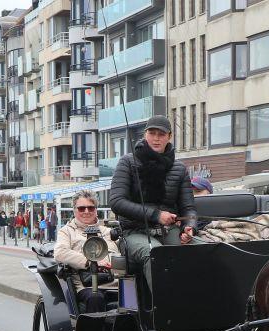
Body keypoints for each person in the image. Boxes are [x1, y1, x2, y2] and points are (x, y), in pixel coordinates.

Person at [109, 115, 197, 288]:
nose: (156, 138)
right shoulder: (127, 162)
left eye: (161, 134)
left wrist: (190, 227)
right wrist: (156, 215)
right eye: (152, 133)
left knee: (205, 249)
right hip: (134, 232)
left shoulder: (179, 168)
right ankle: (165, 309)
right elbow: (117, 202)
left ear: (169, 137)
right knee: (155, 254)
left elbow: (189, 208)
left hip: (170, 230)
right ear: (145, 134)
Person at [54, 191, 120, 313]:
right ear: (74, 210)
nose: (86, 211)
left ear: (96, 210)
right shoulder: (66, 231)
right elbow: (60, 253)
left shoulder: (107, 232)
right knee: (96, 298)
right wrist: (90, 261)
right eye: (81, 208)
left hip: (116, 283)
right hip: (88, 285)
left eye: (90, 207)